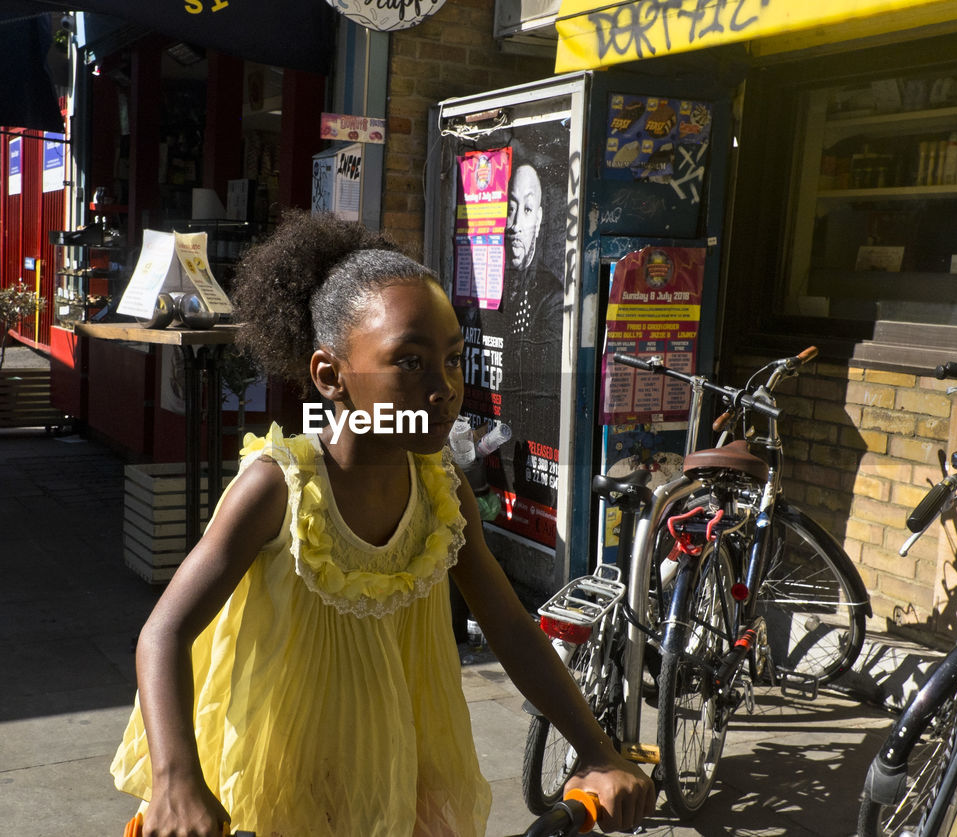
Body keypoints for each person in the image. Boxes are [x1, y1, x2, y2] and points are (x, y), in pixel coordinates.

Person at [110, 211, 654, 836]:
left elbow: (510, 627)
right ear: (329, 376)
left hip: (397, 780)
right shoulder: (277, 488)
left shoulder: (442, 492)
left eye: (453, 360)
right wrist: (177, 781)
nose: (444, 389)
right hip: (286, 790)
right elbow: (163, 634)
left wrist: (598, 750)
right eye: (410, 362)